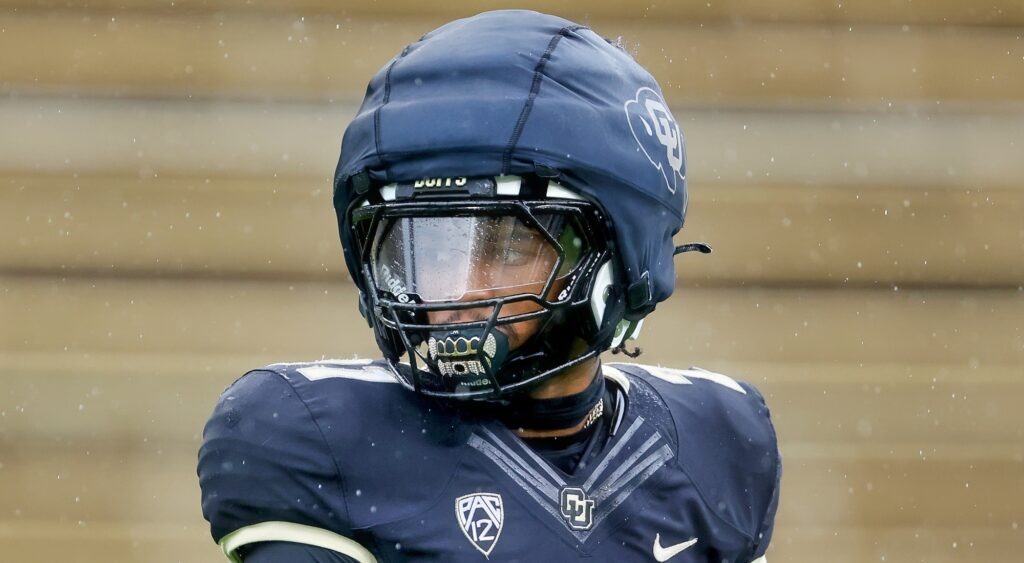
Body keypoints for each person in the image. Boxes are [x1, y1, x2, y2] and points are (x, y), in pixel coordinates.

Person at [198, 10, 780, 562]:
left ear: (623, 251)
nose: (457, 291)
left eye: (505, 249)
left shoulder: (717, 445)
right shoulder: (313, 438)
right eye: (422, 250)